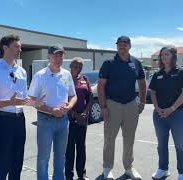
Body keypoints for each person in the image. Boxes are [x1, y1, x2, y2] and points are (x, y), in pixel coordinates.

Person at [98, 36, 146, 180]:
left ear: (130, 46)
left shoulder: (136, 63)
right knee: (109, 138)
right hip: (113, 104)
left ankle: (128, 168)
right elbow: (101, 86)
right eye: (119, 44)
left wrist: (142, 102)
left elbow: (143, 84)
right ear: (117, 46)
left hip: (131, 104)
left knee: (129, 138)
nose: (122, 46)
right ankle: (107, 168)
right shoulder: (109, 63)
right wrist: (103, 107)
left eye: (125, 44)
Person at [28, 44, 77, 180]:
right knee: (43, 157)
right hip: (45, 121)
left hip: (63, 121)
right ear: (48, 56)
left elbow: (73, 95)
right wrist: (51, 110)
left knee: (60, 157)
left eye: (60, 55)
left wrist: (69, 107)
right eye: (55, 55)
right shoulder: (40, 76)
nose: (58, 58)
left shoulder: (66, 74)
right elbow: (30, 100)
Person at [0, 34, 28, 180]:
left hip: (20, 120)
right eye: (16, 46)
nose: (20, 49)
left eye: (20, 46)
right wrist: (8, 102)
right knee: (2, 164)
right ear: (5, 48)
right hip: (3, 122)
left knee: (17, 163)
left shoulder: (22, 72)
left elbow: (22, 99)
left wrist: (34, 101)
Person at [149, 46, 183, 180]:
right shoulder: (158, 74)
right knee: (161, 144)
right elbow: (152, 92)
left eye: (167, 54)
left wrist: (172, 109)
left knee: (180, 145)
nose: (163, 57)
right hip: (160, 115)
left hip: (178, 114)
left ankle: (181, 172)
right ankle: (163, 169)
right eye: (162, 55)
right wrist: (157, 108)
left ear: (173, 56)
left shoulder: (180, 72)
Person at [65, 57, 93, 180]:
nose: (78, 68)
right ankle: (68, 175)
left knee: (81, 147)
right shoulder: (65, 79)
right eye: (75, 66)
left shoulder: (84, 79)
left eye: (80, 67)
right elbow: (61, 100)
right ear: (70, 66)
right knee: (69, 148)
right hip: (68, 118)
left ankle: (81, 174)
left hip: (82, 118)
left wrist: (85, 113)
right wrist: (75, 115)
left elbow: (90, 97)